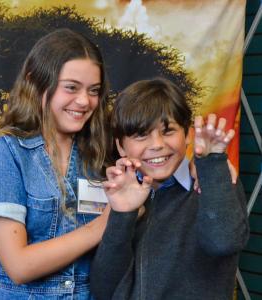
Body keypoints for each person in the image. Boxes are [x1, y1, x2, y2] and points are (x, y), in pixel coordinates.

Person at [0, 28, 111, 299]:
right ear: (34, 81)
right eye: (71, 87)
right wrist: (105, 224)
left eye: (93, 91)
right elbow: (19, 266)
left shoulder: (101, 151)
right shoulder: (5, 151)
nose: (84, 101)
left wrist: (194, 168)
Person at [90, 77, 249, 300]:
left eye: (168, 131)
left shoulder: (214, 182)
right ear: (120, 145)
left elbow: (223, 243)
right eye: (141, 134)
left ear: (187, 135)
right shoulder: (119, 191)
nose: (156, 144)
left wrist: (212, 166)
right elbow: (104, 289)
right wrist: (122, 215)